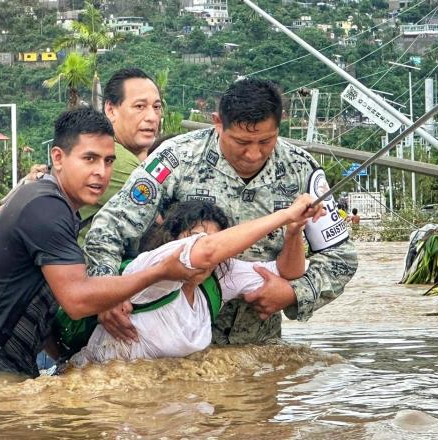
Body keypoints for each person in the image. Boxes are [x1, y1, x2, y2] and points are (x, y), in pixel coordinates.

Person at [0, 107, 197, 397]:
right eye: (89, 159)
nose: (101, 172)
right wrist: (161, 272)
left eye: (108, 161)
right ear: (58, 158)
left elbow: (36, 291)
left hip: (10, 363)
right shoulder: (47, 207)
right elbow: (76, 299)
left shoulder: (48, 202)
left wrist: (64, 358)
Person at [85, 78, 359, 346]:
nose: (253, 154)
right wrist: (106, 291)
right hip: (170, 340)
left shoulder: (301, 170)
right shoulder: (176, 158)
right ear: (218, 123)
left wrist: (293, 293)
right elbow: (109, 228)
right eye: (241, 142)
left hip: (259, 346)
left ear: (279, 124)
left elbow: (341, 257)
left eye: (265, 141)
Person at [70, 197, 318, 365]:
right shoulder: (155, 264)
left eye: (217, 240)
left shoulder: (220, 276)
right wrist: (285, 214)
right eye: (195, 237)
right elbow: (206, 251)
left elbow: (288, 273)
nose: (208, 247)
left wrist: (294, 231)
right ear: (174, 238)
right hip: (103, 389)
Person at [78, 67, 163, 243]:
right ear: (110, 110)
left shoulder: (138, 158)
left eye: (156, 107)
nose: (152, 117)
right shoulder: (114, 160)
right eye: (140, 106)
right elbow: (166, 221)